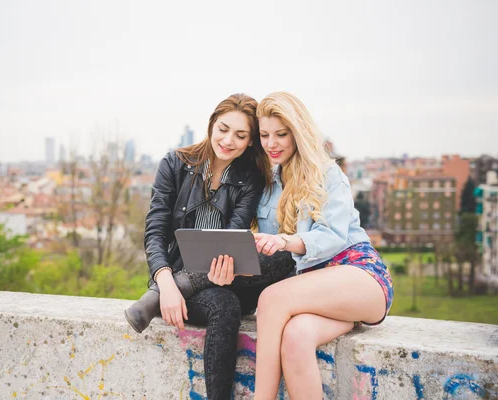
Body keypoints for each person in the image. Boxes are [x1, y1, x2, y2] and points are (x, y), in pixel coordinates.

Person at [125, 93, 295, 399]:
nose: (229, 140)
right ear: (211, 126)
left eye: (241, 135)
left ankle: (163, 292)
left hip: (223, 275)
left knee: (284, 258)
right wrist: (166, 282)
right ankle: (175, 285)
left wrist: (226, 268)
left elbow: (232, 236)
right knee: (225, 306)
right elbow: (154, 231)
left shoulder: (250, 177)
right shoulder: (174, 163)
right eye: (223, 129)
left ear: (250, 142)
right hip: (172, 284)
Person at [250, 92, 394, 399]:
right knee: (296, 337)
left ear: (298, 133)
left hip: (358, 274)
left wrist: (285, 240)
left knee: (271, 300)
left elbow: (332, 237)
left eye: (281, 134)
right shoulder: (267, 186)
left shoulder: (328, 174)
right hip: (317, 290)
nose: (271, 143)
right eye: (264, 135)